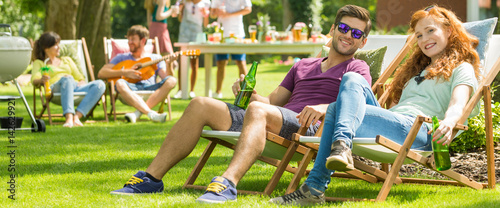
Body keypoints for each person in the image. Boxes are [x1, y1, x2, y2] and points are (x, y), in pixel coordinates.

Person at [109, 4, 372, 204]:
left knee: (258, 110)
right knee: (200, 103)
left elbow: (356, 102)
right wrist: (250, 92)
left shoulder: (357, 68)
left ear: (363, 41)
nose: (349, 35)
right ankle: (151, 178)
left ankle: (227, 183)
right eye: (344, 28)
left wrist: (324, 108)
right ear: (333, 29)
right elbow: (269, 102)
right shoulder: (302, 65)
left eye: (356, 33)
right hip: (276, 119)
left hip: (310, 129)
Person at [270, 5, 481, 206]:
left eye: (430, 31)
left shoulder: (462, 68)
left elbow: (458, 104)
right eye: (419, 35)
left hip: (420, 131)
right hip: (396, 125)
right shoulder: (417, 71)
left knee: (335, 108)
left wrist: (450, 122)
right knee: (351, 78)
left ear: (449, 30)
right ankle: (340, 149)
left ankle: (316, 185)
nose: (424, 39)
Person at [97, 25, 177, 123]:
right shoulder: (121, 57)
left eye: (133, 39)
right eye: (128, 39)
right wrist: (125, 72)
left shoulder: (155, 57)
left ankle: (138, 114)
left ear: (143, 41)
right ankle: (151, 114)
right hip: (130, 88)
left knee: (172, 80)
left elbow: (166, 77)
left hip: (151, 88)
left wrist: (169, 64)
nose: (129, 42)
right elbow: (101, 73)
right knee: (120, 83)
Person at [31, 32, 106, 128]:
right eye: (55, 45)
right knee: (67, 79)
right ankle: (68, 118)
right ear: (46, 48)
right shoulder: (40, 63)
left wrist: (81, 81)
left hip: (73, 87)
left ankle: (76, 117)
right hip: (55, 89)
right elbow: (34, 80)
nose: (59, 47)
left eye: (59, 44)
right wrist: (41, 80)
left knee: (100, 84)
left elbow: (79, 77)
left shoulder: (67, 60)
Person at [210, 0, 252, 98]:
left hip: (237, 33)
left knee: (240, 62)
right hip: (221, 34)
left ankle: (246, 91)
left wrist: (229, 14)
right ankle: (218, 92)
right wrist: (214, 13)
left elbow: (248, 9)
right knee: (221, 63)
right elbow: (212, 14)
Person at [173, 0, 211, 99]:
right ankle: (180, 90)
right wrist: (181, 8)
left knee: (194, 62)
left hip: (197, 33)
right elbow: (180, 18)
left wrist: (205, 14)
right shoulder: (184, 1)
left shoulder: (205, 3)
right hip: (184, 32)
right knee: (182, 61)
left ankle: (192, 90)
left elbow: (206, 24)